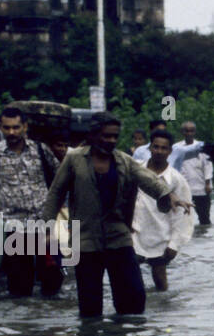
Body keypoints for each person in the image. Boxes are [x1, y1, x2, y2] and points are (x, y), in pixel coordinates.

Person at [41, 112, 191, 318]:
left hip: (118, 237)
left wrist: (169, 194)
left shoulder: (123, 161)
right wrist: (46, 230)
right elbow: (56, 194)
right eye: (106, 136)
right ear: (93, 135)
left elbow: (148, 179)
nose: (111, 140)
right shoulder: (74, 159)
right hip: (85, 240)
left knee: (134, 300)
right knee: (90, 307)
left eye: (115, 136)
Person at [0, 106, 63, 298]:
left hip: (44, 221)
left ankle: (50, 320)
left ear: (25, 127)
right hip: (14, 223)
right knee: (20, 282)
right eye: (7, 128)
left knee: (52, 276)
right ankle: (23, 323)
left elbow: (60, 176)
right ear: (1, 128)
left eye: (16, 127)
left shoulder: (40, 150)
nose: (11, 132)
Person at [133, 129, 193, 291]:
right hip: (134, 231)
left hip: (159, 234)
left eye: (163, 148)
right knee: (130, 278)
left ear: (170, 151)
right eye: (155, 147)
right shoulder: (135, 170)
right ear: (149, 148)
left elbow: (184, 216)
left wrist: (174, 244)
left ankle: (164, 313)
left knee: (160, 279)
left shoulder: (176, 179)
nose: (159, 151)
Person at [177, 121, 213, 226]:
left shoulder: (201, 146)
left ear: (195, 132)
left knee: (204, 218)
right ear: (182, 132)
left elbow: (208, 166)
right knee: (183, 218)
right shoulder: (177, 148)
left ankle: (204, 236)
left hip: (201, 188)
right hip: (183, 189)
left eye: (191, 131)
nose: (189, 133)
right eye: (186, 131)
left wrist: (207, 184)